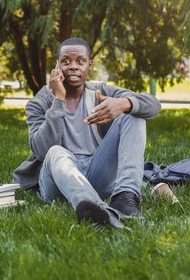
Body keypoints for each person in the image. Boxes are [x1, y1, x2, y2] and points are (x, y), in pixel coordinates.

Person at [13, 37, 161, 229]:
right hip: (58, 181)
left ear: (89, 65)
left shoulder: (101, 91)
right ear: (57, 66)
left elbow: (154, 105)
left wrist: (124, 104)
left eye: (80, 61)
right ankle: (98, 210)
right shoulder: (39, 102)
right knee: (56, 152)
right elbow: (42, 151)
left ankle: (125, 200)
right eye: (66, 61)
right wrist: (59, 99)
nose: (73, 67)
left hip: (96, 172)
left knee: (133, 113)